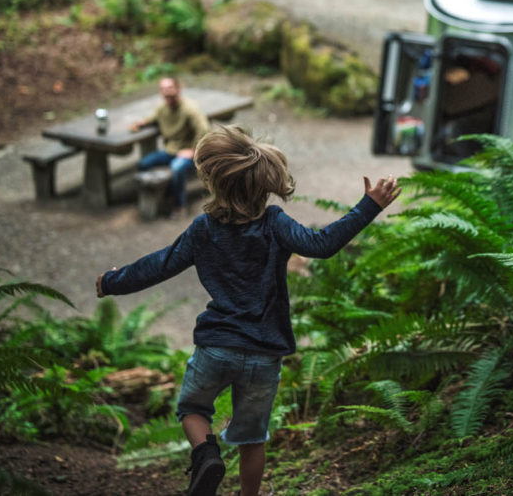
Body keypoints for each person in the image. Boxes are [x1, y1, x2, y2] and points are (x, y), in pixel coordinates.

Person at [95, 125, 401, 496]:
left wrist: (112, 281)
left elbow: (160, 265)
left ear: (213, 180)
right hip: (263, 353)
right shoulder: (275, 223)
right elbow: (322, 244)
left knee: (192, 410)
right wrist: (370, 205)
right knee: (252, 438)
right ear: (262, 181)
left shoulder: (203, 229)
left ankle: (206, 455)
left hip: (216, 347)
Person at [132, 76, 210, 215]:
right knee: (143, 164)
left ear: (178, 89)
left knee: (177, 167)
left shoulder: (190, 109)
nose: (166, 92)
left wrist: (193, 151)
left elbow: (204, 130)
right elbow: (152, 118)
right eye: (163, 89)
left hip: (189, 153)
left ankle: (180, 205)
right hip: (170, 151)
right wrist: (141, 123)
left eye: (169, 88)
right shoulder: (163, 109)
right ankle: (157, 195)